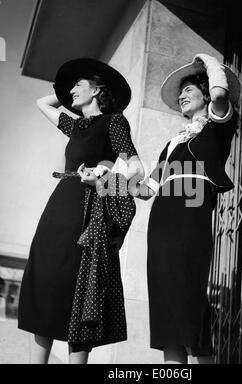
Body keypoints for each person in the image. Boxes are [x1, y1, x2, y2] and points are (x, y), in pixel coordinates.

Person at [18, 58, 144, 364]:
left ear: (98, 89)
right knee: (45, 282)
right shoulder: (75, 126)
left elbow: (136, 168)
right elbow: (42, 102)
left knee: (80, 287)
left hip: (87, 211)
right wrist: (69, 90)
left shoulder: (113, 122)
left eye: (79, 84)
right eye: (71, 86)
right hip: (59, 206)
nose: (71, 90)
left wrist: (104, 177)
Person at [130, 54, 240, 364]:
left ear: (205, 94)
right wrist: (110, 180)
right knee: (166, 307)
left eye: (189, 90)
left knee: (190, 301)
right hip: (162, 223)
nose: (182, 96)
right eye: (182, 92)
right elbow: (145, 190)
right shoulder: (172, 143)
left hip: (191, 219)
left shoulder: (219, 127)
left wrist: (209, 62)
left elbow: (220, 93)